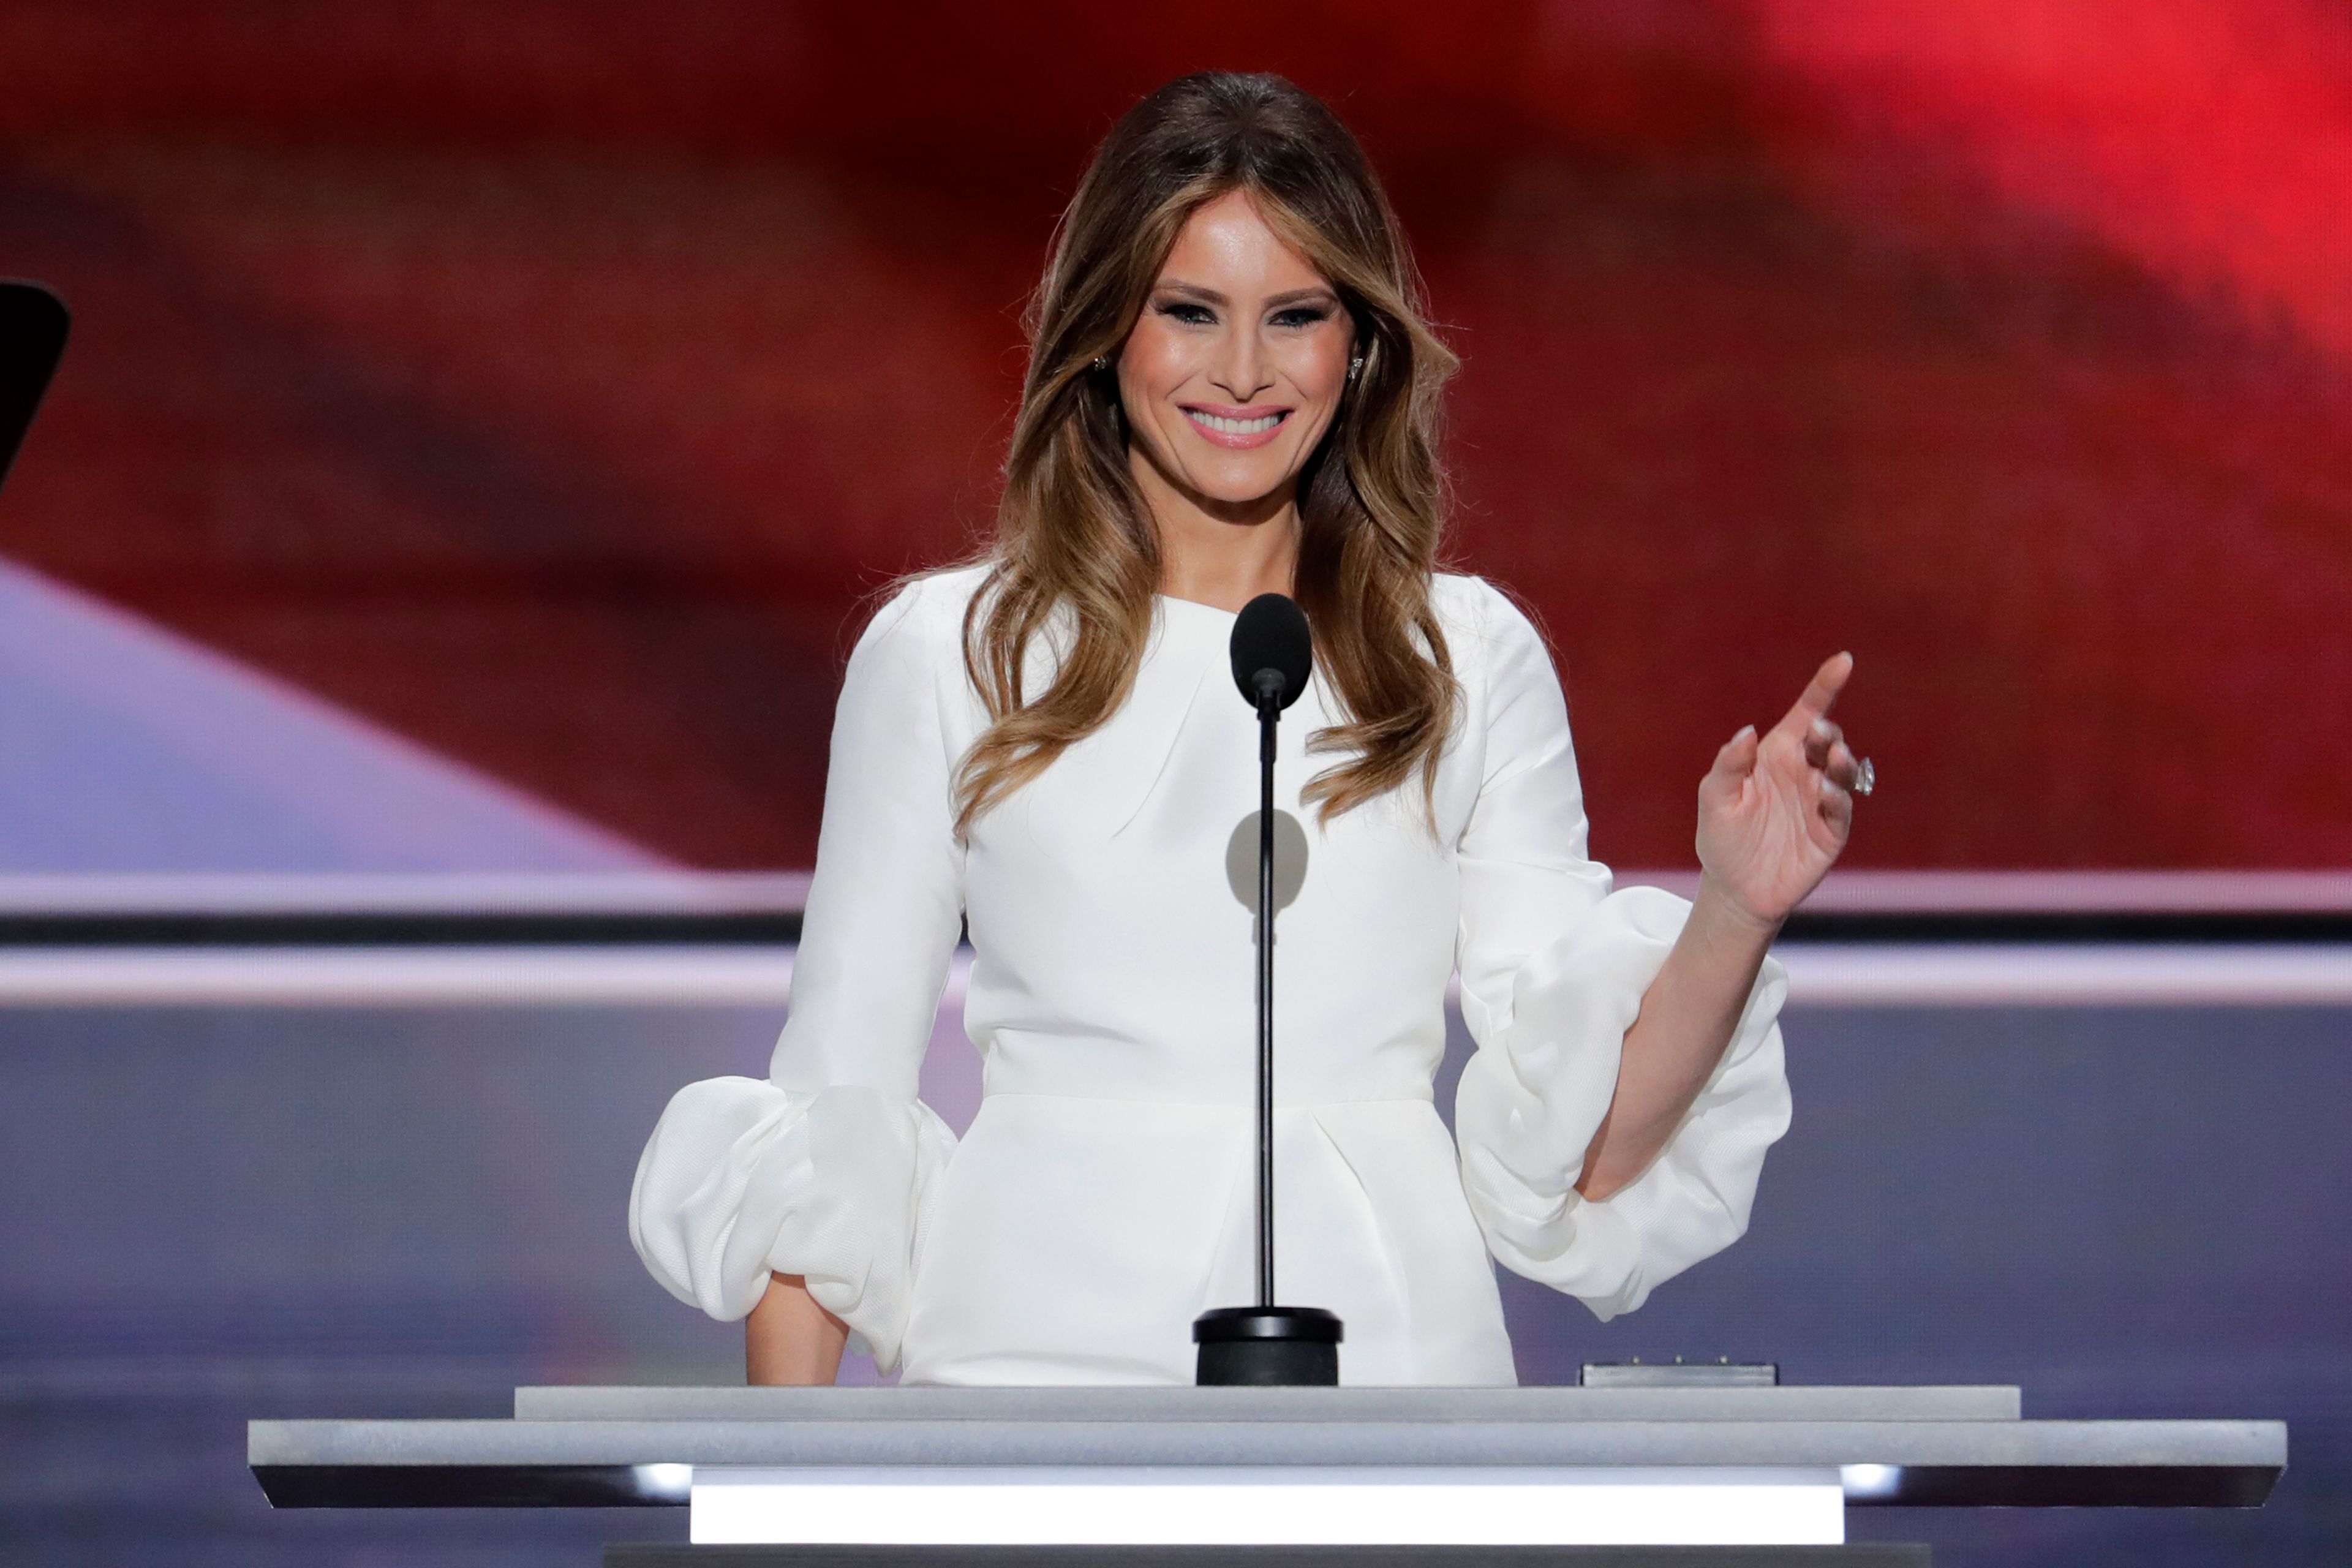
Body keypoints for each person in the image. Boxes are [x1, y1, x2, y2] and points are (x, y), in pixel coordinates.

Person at [630, 71, 1866, 1387]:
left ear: (1360, 344)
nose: (1241, 370)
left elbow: (1586, 1153)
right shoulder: (954, 652)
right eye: (1191, 312)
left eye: (1294, 316)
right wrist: (788, 1503)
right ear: (1111, 328)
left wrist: (1734, 910)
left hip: (1390, 1371)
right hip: (1031, 1370)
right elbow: (838, 1103)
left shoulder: (1464, 656)